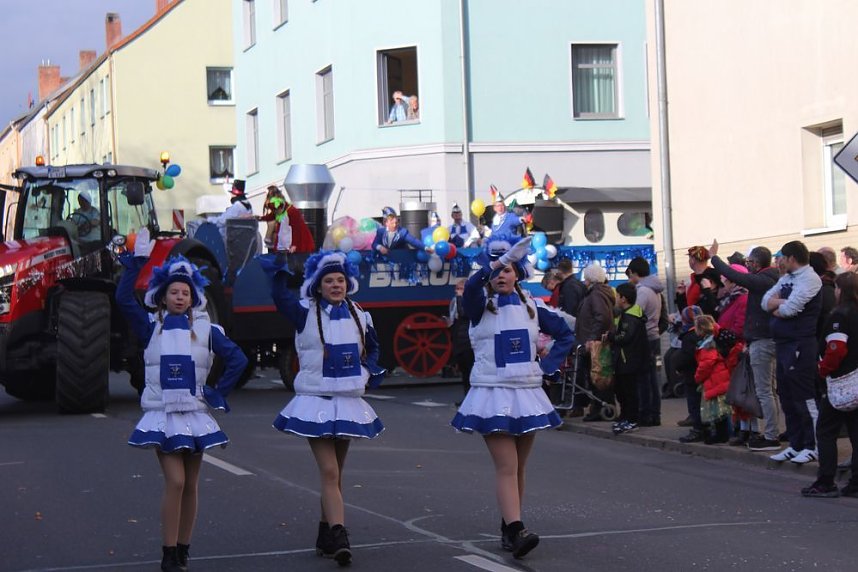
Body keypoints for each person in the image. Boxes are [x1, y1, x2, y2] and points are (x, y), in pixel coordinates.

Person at [116, 228, 247, 572]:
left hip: (195, 414)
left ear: (193, 298)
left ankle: (183, 549)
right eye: (173, 291)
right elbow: (122, 299)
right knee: (175, 481)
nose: (179, 297)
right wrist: (135, 267)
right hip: (162, 415)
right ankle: (168, 550)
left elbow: (238, 359)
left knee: (190, 485)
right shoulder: (150, 328)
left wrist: (218, 391)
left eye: (185, 292)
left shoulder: (206, 330)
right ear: (161, 296)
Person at [451, 235, 574, 559]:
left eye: (509, 269)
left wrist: (546, 365)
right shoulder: (479, 305)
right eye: (497, 270)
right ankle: (517, 529)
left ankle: (510, 528)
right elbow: (474, 288)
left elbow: (565, 334)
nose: (502, 275)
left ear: (519, 273)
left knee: (518, 467)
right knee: (507, 466)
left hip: (527, 393)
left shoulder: (533, 306)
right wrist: (490, 266)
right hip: (492, 394)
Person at [264, 249, 385, 566]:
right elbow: (280, 298)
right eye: (329, 280)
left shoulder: (360, 314)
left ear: (348, 283)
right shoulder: (304, 312)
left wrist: (368, 371)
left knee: (336, 475)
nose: (336, 285)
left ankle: (325, 533)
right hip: (315, 401)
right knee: (329, 471)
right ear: (318, 286)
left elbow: (372, 349)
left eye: (340, 280)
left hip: (347, 400)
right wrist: (280, 270)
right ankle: (340, 533)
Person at [710, 241, 781, 451]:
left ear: (756, 263)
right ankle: (771, 431)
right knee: (768, 389)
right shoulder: (772, 278)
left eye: (749, 262)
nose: (747, 265)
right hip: (766, 339)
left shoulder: (763, 280)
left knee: (764, 390)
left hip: (762, 340)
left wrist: (715, 258)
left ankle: (770, 436)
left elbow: (737, 276)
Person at [762, 240, 823, 464]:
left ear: (791, 258)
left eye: (781, 258)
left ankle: (813, 445)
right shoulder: (787, 279)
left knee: (804, 398)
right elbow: (764, 301)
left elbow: (789, 309)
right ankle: (796, 444)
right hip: (783, 344)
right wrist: (777, 304)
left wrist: (777, 307)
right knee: (787, 397)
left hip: (800, 345)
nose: (779, 262)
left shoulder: (809, 279)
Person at [802, 272, 858, 497]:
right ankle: (855, 483)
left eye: (835, 288)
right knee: (856, 431)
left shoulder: (840, 315)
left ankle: (826, 480)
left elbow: (836, 349)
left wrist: (823, 369)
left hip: (842, 382)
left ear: (840, 290)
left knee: (825, 430)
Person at [625, 256, 666, 426]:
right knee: (652, 379)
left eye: (630, 275)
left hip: (645, 339)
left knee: (644, 379)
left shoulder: (642, 291)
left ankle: (646, 414)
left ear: (635, 273)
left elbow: (635, 313)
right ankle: (655, 414)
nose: (630, 279)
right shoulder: (655, 290)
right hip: (654, 336)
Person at [606, 282, 649, 435]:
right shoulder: (625, 314)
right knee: (622, 391)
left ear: (623, 298)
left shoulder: (630, 317)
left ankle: (632, 419)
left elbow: (624, 337)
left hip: (628, 360)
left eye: (617, 296)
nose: (616, 298)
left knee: (629, 392)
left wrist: (610, 336)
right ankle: (625, 417)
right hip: (624, 360)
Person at [574, 263, 616, 422]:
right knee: (598, 375)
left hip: (594, 344)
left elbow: (602, 317)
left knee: (596, 376)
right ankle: (600, 407)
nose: (584, 282)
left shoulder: (595, 295)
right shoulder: (600, 293)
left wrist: (592, 338)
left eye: (586, 279)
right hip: (594, 341)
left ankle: (599, 408)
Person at [693, 315, 734, 444]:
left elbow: (706, 364)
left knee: (718, 411)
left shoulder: (707, 345)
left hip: (715, 380)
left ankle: (721, 436)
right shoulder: (715, 339)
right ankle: (725, 433)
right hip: (720, 377)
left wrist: (697, 377)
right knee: (722, 410)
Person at [446, 278, 474, 402]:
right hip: (460, 341)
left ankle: (472, 400)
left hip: (468, 342)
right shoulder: (455, 302)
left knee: (470, 372)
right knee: (465, 373)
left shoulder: (468, 301)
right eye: (456, 289)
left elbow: (464, 314)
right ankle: (467, 399)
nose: (457, 291)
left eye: (460, 288)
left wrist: (460, 298)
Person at [675, 246, 721, 315]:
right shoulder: (696, 278)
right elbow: (688, 311)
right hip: (698, 322)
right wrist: (681, 295)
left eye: (689, 258)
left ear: (693, 260)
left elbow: (712, 307)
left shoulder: (710, 278)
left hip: (706, 323)